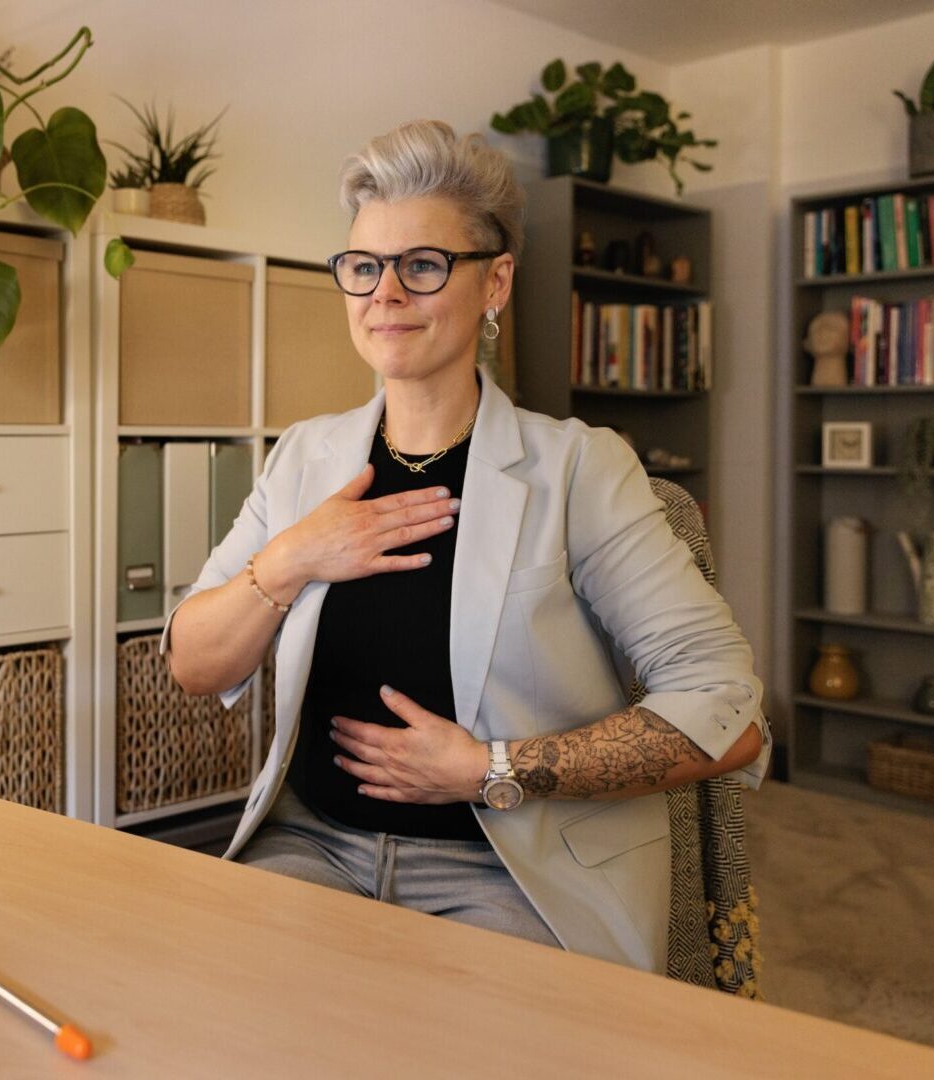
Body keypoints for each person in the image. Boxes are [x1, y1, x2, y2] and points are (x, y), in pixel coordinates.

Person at [164, 119, 770, 974]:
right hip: (316, 848)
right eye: (364, 267)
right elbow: (194, 662)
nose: (384, 295)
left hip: (512, 871)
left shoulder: (579, 468)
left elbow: (729, 714)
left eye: (422, 265)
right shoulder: (305, 457)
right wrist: (293, 557)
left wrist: (490, 767)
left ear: (496, 283)